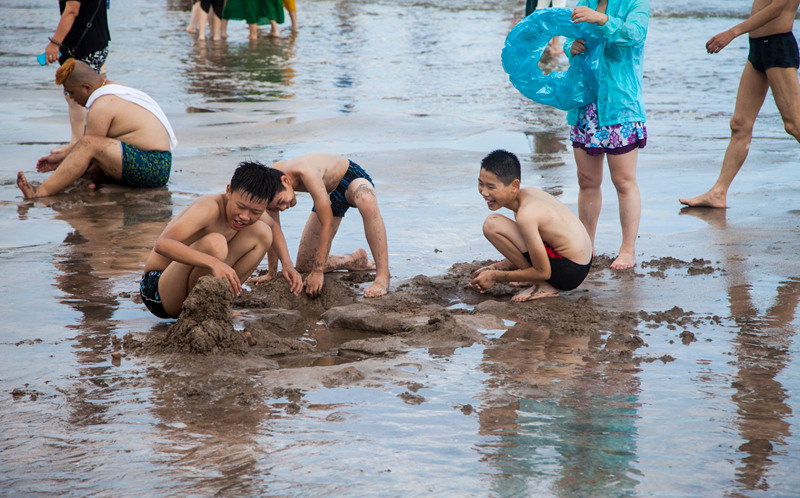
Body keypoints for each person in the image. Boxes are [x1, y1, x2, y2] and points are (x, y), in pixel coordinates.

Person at [140, 161, 303, 319]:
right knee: (215, 243)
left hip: (189, 286)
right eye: (240, 206)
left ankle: (215, 303)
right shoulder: (209, 207)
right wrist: (214, 263)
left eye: (255, 212)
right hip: (158, 289)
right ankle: (201, 309)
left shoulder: (254, 210)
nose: (245, 216)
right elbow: (162, 244)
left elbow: (274, 227)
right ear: (229, 191)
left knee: (263, 232)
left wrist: (287, 265)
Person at [679, 0, 800, 209]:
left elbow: (776, 8)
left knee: (794, 125)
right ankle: (718, 193)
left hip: (778, 47)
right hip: (758, 48)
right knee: (740, 124)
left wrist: (732, 32)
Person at [565, 0, 649, 269]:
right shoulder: (585, 2)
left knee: (624, 181)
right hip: (585, 105)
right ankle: (585, 246)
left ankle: (628, 250)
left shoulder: (635, 3)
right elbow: (570, 41)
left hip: (620, 106)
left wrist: (600, 19)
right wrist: (572, 48)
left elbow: (634, 35)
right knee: (587, 181)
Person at [17, 59, 177, 199]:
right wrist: (62, 159)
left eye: (71, 92)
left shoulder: (102, 105)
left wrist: (64, 164)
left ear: (86, 87)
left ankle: (40, 192)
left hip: (153, 167)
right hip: (155, 162)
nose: (71, 98)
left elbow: (88, 148)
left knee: (89, 144)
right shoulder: (114, 87)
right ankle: (81, 183)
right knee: (89, 149)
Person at [259, 153, 390, 298]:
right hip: (327, 194)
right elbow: (273, 228)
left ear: (285, 181)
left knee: (367, 200)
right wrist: (272, 273)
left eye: (281, 202)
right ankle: (355, 259)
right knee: (305, 265)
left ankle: (383, 276)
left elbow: (327, 223)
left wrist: (318, 271)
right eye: (275, 207)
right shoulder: (267, 184)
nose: (283, 208)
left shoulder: (305, 172)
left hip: (349, 180)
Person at [470, 150, 593, 302]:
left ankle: (542, 286)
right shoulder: (529, 193)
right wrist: (494, 267)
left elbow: (543, 271)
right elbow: (531, 249)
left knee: (492, 224)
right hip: (582, 263)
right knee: (502, 226)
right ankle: (532, 277)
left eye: (491, 186)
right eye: (480, 184)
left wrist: (495, 276)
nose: (484, 192)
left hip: (569, 272)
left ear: (514, 185)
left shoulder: (526, 214)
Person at [44, 0, 111, 146]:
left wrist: (55, 43)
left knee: (75, 95)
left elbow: (72, 11)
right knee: (98, 92)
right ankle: (93, 139)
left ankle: (78, 143)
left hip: (83, 44)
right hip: (98, 40)